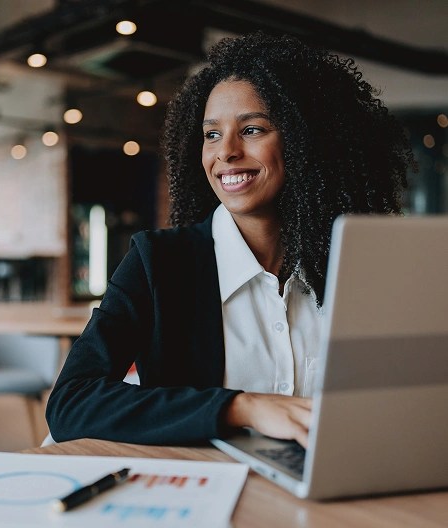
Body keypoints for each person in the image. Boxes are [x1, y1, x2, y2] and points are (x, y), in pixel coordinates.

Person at [46, 31, 413, 449]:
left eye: (252, 129)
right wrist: (243, 407)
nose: (227, 152)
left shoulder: (354, 267)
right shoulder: (160, 262)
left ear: (305, 140)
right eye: (212, 134)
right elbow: (70, 404)